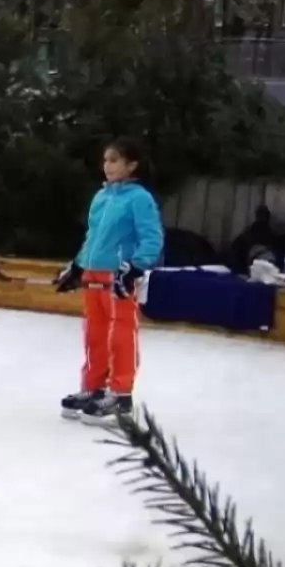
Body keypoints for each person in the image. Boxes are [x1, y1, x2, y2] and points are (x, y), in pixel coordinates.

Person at [54, 137, 164, 425]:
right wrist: (77, 267)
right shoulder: (101, 197)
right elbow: (92, 238)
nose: (107, 165)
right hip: (93, 275)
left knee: (120, 335)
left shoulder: (139, 198)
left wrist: (135, 268)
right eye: (105, 160)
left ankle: (120, 394)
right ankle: (93, 387)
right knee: (94, 334)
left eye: (114, 160)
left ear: (132, 165)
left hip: (119, 277)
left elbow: (152, 238)